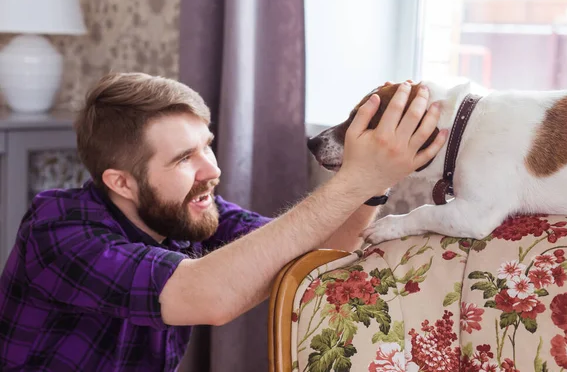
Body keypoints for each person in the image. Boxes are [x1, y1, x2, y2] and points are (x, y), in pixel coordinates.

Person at [0, 72, 446, 371]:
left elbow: (314, 259)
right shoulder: (57, 229)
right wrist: (357, 176)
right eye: (183, 158)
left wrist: (374, 184)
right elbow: (210, 295)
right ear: (121, 182)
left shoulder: (188, 212)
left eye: (206, 145)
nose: (211, 169)